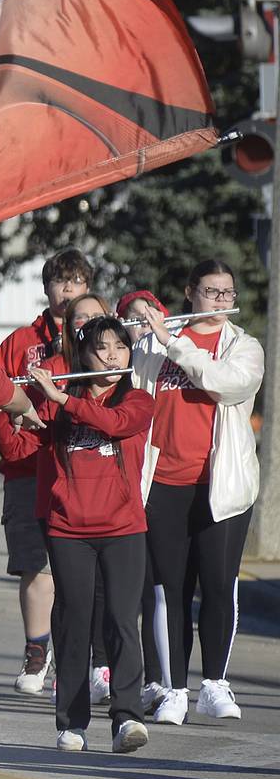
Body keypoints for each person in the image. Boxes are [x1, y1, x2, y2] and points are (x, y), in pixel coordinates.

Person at [0, 316, 154, 752]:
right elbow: (20, 447)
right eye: (101, 347)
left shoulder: (139, 400)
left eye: (120, 347)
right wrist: (15, 414)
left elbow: (116, 425)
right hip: (68, 529)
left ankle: (127, 719)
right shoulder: (57, 399)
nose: (110, 355)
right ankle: (71, 724)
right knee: (73, 623)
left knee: (122, 622)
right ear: (83, 354)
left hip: (124, 528)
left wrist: (61, 399)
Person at [131, 260, 263, 724]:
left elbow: (225, 384)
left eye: (228, 293)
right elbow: (133, 397)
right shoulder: (151, 344)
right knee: (169, 591)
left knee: (218, 584)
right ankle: (172, 690)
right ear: (191, 293)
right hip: (162, 482)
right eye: (212, 292)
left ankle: (214, 684)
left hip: (220, 487)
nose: (222, 301)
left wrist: (175, 343)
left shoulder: (244, 347)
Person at [0, 249, 93, 694]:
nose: (67, 290)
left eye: (76, 282)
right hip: (29, 466)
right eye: (59, 281)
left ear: (88, 288)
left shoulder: (100, 338)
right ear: (46, 287)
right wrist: (13, 443)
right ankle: (36, 653)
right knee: (36, 567)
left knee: (81, 570)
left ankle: (85, 660)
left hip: (83, 466)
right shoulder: (19, 342)